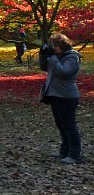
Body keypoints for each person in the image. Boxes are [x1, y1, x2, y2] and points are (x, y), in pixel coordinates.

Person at [39, 33, 82, 164]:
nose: (54, 48)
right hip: (55, 95)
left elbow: (64, 72)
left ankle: (75, 155)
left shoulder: (72, 57)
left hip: (67, 96)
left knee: (69, 125)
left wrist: (52, 57)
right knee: (61, 125)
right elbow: (44, 67)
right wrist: (43, 54)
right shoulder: (56, 57)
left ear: (62, 45)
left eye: (55, 46)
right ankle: (64, 152)